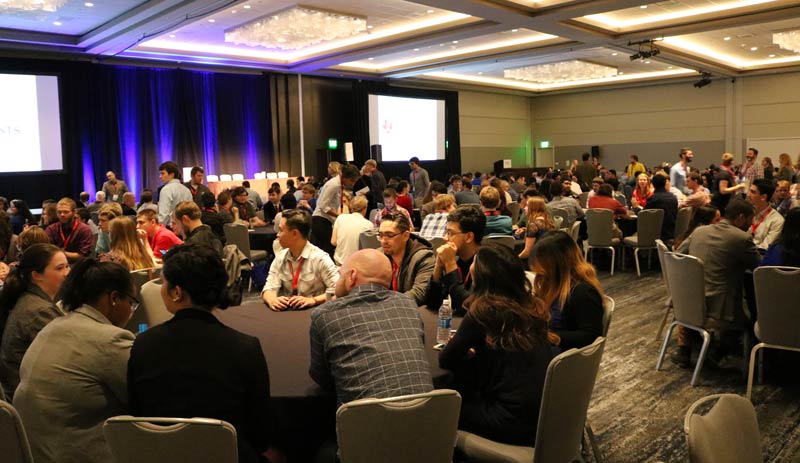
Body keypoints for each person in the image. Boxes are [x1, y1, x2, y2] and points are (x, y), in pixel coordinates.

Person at [128, 244, 273, 463]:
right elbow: (260, 435)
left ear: (177, 293)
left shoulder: (143, 344)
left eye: (163, 282)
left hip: (162, 456)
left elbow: (138, 416)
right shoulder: (245, 347)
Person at [13, 258, 135, 463]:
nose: (132, 312)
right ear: (114, 299)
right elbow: (148, 398)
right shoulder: (110, 339)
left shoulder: (52, 327)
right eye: (131, 303)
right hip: (76, 454)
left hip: (35, 452)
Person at [440, 244, 554, 446]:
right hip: (543, 416)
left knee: (442, 407)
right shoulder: (531, 305)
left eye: (474, 262)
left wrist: (467, 352)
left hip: (508, 422)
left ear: (482, 275)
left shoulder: (483, 311)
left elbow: (447, 359)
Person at [310, 248, 433, 405]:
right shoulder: (408, 305)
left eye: (340, 275)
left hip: (365, 423)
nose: (336, 282)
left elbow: (322, 377)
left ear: (352, 276)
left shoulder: (325, 314)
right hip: (430, 421)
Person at [0, 244, 69, 399]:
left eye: (66, 266)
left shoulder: (30, 300)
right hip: (32, 399)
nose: (67, 273)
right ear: (36, 275)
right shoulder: (39, 312)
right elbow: (65, 361)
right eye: (59, 268)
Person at [676, 199, 761, 324]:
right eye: (750, 219)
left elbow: (677, 256)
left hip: (691, 299)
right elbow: (759, 267)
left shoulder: (699, 231)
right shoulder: (742, 238)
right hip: (722, 309)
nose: (752, 223)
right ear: (741, 218)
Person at [530, 231, 604, 351]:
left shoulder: (582, 292)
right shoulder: (551, 282)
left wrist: (555, 338)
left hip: (564, 356)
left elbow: (592, 336)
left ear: (557, 264)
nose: (539, 274)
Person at [262, 209, 339, 311]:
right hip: (288, 313)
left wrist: (313, 300)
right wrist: (272, 300)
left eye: (281, 230)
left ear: (294, 233)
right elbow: (269, 288)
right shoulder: (280, 257)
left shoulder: (320, 258)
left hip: (315, 314)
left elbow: (338, 291)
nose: (277, 234)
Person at [425, 205, 484, 316]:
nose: (445, 238)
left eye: (450, 233)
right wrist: (438, 267)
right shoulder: (460, 261)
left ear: (469, 237)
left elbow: (467, 308)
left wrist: (450, 264)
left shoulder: (487, 264)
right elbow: (432, 303)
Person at [380, 212, 434, 305]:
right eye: (380, 235)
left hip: (411, 313)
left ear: (405, 236)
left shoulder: (423, 257)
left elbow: (419, 294)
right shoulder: (379, 255)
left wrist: (386, 305)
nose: (383, 241)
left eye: (389, 235)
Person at [311, 164, 360, 257]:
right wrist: (339, 216)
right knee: (327, 252)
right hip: (320, 220)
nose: (353, 184)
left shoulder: (338, 184)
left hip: (325, 220)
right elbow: (322, 205)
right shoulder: (333, 185)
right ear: (345, 177)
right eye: (352, 181)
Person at [44, 198, 94, 263]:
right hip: (56, 264)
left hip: (78, 266)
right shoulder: (51, 229)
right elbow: (47, 251)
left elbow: (82, 255)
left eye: (66, 212)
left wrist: (60, 252)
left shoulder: (84, 229)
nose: (62, 215)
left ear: (74, 212)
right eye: (59, 212)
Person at [331, 196, 373, 266]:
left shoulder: (340, 218)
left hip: (339, 261)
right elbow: (368, 249)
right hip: (356, 264)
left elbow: (333, 242)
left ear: (351, 207)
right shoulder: (368, 225)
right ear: (365, 208)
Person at [748, 178, 784, 251]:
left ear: (763, 197)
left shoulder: (777, 221)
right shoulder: (745, 212)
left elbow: (764, 249)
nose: (748, 195)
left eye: (753, 192)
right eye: (749, 190)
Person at [157, 161, 192, 225]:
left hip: (171, 228)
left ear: (172, 174)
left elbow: (163, 215)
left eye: (163, 173)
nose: (160, 176)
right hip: (186, 227)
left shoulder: (166, 189)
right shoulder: (187, 190)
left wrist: (159, 229)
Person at [645, 174, 679, 241]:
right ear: (665, 183)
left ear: (653, 184)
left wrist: (635, 207)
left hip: (656, 234)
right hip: (672, 232)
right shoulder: (673, 197)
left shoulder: (653, 199)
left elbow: (644, 216)